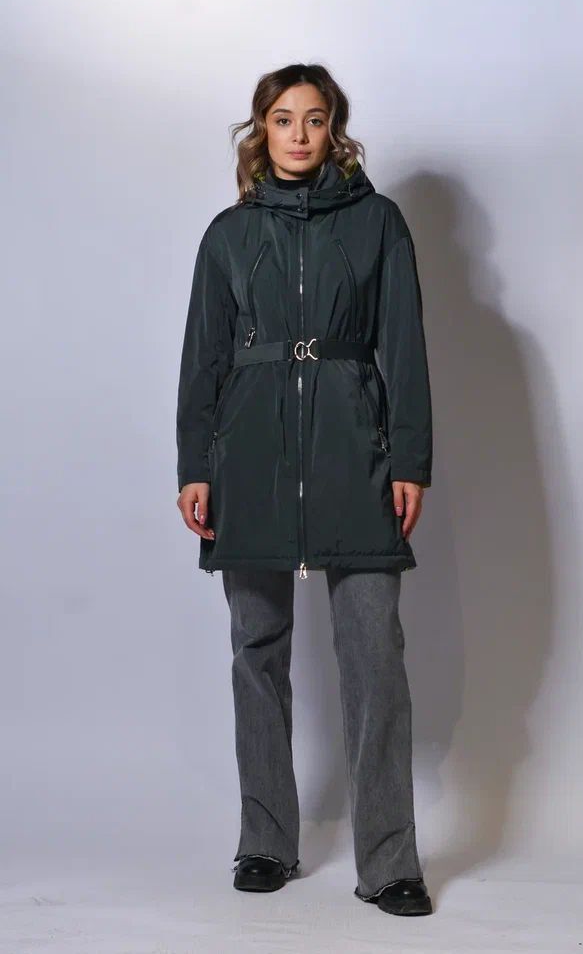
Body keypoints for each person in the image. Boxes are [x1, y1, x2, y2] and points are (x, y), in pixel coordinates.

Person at [176, 63, 433, 917]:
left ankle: (390, 861)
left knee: (374, 657)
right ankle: (264, 842)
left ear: (334, 130)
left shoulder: (378, 223)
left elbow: (404, 346)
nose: (298, 134)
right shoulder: (228, 234)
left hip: (354, 453)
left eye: (314, 119)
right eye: (282, 119)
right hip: (248, 457)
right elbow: (203, 359)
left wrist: (409, 460)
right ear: (262, 129)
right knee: (256, 652)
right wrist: (195, 465)